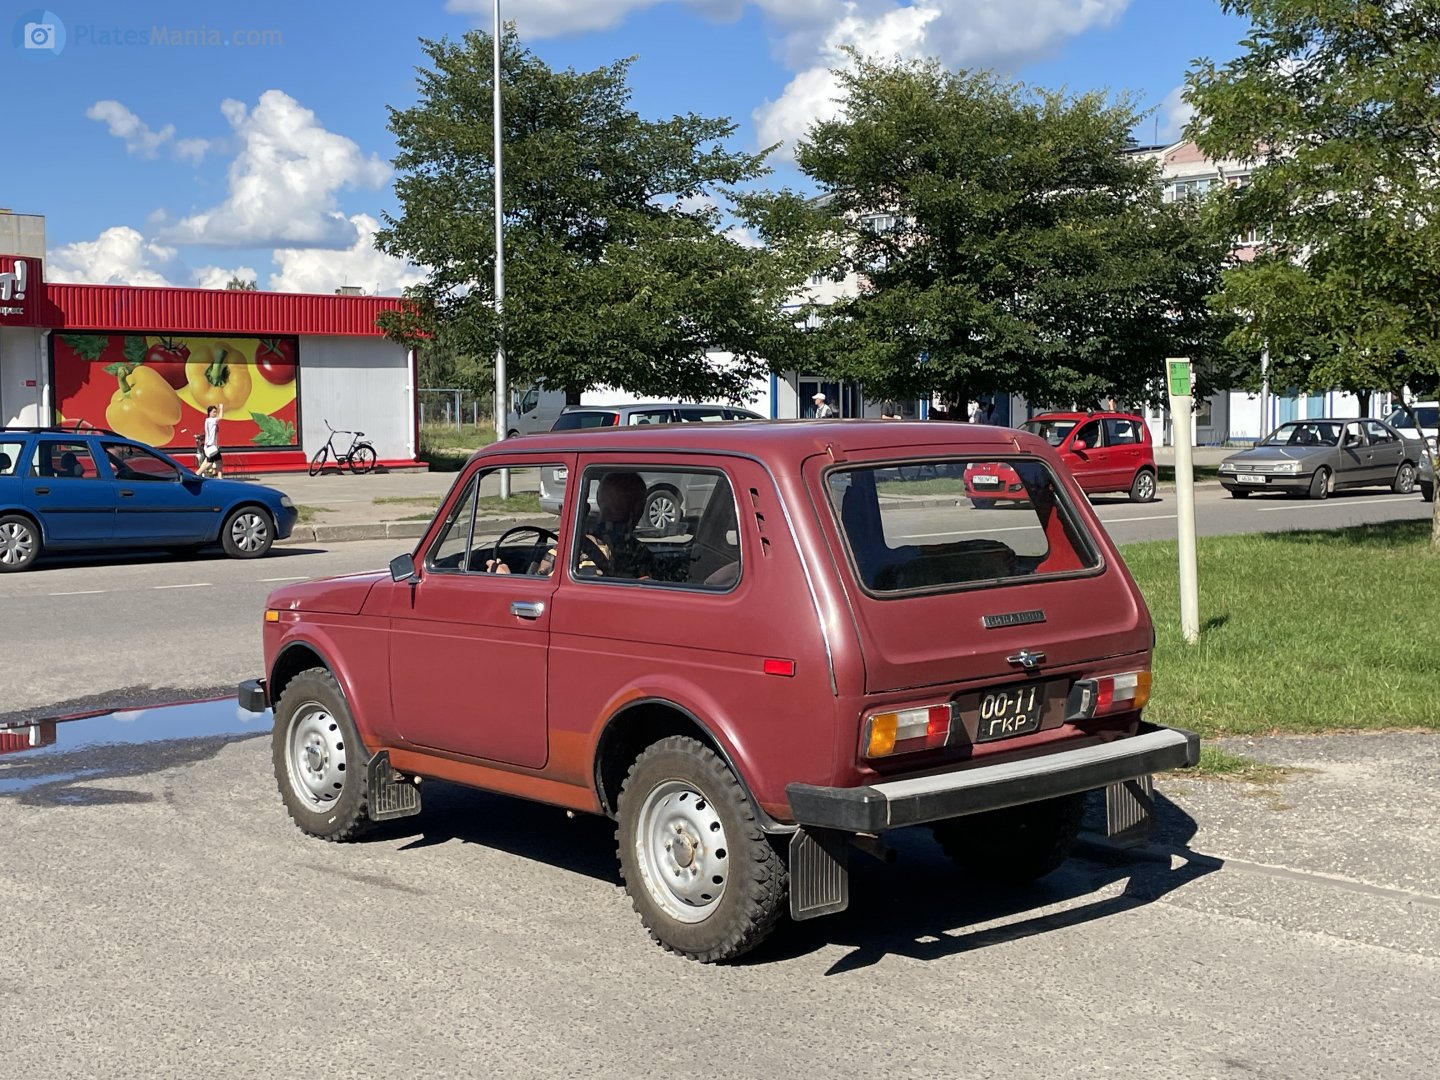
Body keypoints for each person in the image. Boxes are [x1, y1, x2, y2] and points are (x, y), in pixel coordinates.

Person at [489, 471, 650, 578]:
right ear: (639, 509)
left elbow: (537, 598)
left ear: (599, 500)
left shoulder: (573, 551)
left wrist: (505, 575)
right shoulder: (641, 554)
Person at [200, 404, 224, 477]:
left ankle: (220, 479)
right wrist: (221, 408)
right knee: (209, 463)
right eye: (214, 412)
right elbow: (220, 417)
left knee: (219, 462)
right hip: (211, 446)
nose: (215, 413)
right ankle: (196, 475)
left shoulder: (210, 421)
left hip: (212, 446)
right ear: (209, 413)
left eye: (216, 412)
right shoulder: (210, 420)